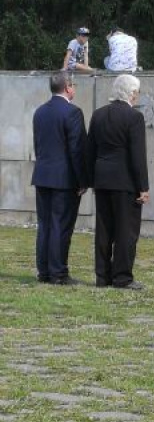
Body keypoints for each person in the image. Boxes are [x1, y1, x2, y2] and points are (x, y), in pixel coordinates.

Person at [88, 74, 149, 289]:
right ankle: (122, 277)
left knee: (104, 230)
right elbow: (137, 155)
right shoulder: (134, 117)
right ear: (131, 93)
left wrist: (89, 180)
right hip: (125, 182)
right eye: (136, 92)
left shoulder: (98, 115)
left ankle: (102, 276)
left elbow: (91, 150)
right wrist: (143, 187)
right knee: (126, 230)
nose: (137, 96)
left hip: (102, 179)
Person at [31, 72, 89, 284]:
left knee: (45, 225)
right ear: (67, 87)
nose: (74, 89)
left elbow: (38, 146)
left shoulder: (39, 112)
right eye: (73, 85)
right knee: (61, 226)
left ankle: (44, 271)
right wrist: (83, 180)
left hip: (43, 175)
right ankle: (58, 273)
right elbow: (77, 150)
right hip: (64, 179)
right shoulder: (72, 113)